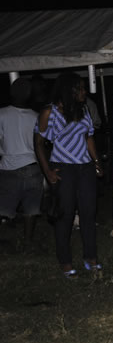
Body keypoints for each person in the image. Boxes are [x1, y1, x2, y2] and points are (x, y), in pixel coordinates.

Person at [34, 73, 103, 278]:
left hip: (85, 167)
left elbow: (89, 137)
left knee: (88, 214)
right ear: (68, 90)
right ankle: (65, 261)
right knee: (64, 215)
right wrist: (47, 171)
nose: (84, 92)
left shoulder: (84, 110)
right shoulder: (50, 112)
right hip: (63, 167)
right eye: (80, 89)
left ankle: (90, 257)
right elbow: (38, 143)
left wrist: (97, 162)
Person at [0, 78, 43, 245]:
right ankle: (28, 241)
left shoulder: (2, 113)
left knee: (3, 206)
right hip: (32, 166)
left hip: (9, 167)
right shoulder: (36, 116)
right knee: (31, 208)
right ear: (29, 94)